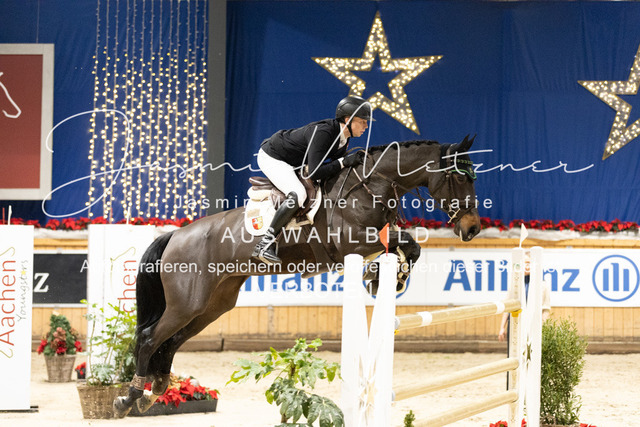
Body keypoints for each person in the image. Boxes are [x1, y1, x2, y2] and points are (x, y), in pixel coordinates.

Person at [252, 95, 372, 265]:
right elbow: (315, 172)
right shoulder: (324, 133)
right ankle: (265, 243)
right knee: (298, 194)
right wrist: (343, 162)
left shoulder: (344, 139)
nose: (366, 126)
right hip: (273, 157)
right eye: (363, 121)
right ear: (348, 120)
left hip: (295, 161)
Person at [498, 251, 551, 341]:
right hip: (516, 325)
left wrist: (543, 328)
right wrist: (502, 327)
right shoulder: (515, 283)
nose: (526, 266)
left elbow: (545, 309)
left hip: (534, 325)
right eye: (524, 263)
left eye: (528, 263)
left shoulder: (543, 285)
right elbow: (507, 307)